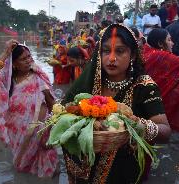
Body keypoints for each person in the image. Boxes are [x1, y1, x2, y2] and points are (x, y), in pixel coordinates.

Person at [63, 24, 171, 184]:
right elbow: (64, 110)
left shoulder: (144, 86)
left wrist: (137, 125)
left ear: (133, 55)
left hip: (122, 171)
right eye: (106, 51)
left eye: (120, 51)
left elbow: (165, 132)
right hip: (85, 168)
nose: (111, 58)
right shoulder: (90, 80)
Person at [0, 40, 58, 177]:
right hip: (19, 138)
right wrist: (5, 53)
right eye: (23, 59)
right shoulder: (7, 82)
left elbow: (54, 108)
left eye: (29, 56)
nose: (29, 60)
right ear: (14, 64)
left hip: (42, 139)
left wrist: (53, 136)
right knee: (21, 170)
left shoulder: (39, 79)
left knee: (46, 176)